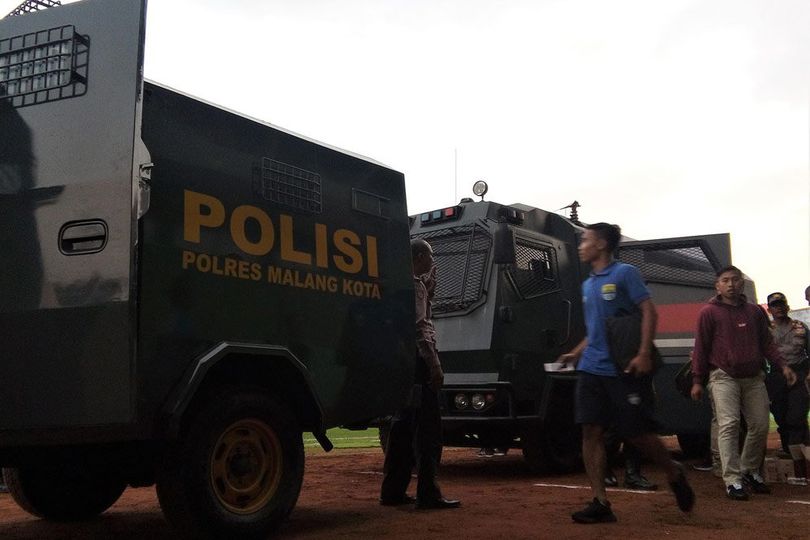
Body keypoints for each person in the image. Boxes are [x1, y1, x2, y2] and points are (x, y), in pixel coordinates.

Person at [559, 223, 694, 524]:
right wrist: (576, 352)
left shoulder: (625, 274)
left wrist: (644, 352)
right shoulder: (588, 284)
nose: (581, 245)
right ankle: (600, 501)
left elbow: (649, 312)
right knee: (590, 431)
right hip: (591, 369)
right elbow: (596, 330)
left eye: (585, 240)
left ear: (603, 244)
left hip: (624, 368)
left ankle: (673, 471)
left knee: (637, 434)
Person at [690, 267, 797, 500]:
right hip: (723, 376)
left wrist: (783, 366)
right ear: (717, 285)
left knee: (759, 425)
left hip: (753, 376)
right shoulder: (708, 312)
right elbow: (701, 348)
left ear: (741, 284)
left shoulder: (754, 311)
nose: (731, 285)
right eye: (725, 280)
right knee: (729, 424)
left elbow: (767, 343)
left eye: (735, 280)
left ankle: (748, 470)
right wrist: (698, 380)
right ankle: (732, 480)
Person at [380, 239, 460, 510]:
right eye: (430, 255)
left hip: (400, 363)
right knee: (428, 431)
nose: (432, 261)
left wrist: (429, 288)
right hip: (419, 362)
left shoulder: (400, 285)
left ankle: (392, 491)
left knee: (401, 428)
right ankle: (429, 493)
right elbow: (421, 328)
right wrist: (435, 365)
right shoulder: (415, 286)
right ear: (418, 256)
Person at [765, 292, 810, 484]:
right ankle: (792, 454)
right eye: (775, 305)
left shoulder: (801, 327)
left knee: (796, 416)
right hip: (776, 377)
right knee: (782, 417)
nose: (779, 308)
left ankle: (802, 463)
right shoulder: (766, 330)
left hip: (799, 374)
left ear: (787, 306)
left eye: (782, 304)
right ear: (770, 309)